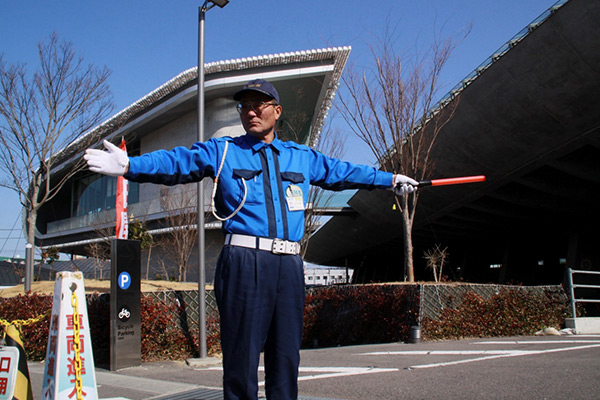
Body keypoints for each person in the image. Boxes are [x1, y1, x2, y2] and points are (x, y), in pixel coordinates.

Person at [84, 78, 418, 400]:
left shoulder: (300, 156)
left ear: (277, 110)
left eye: (258, 105)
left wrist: (390, 179)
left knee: (286, 355)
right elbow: (178, 161)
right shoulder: (225, 151)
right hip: (244, 262)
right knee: (241, 357)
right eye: (244, 107)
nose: (250, 112)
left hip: (288, 265)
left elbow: (344, 172)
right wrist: (130, 165)